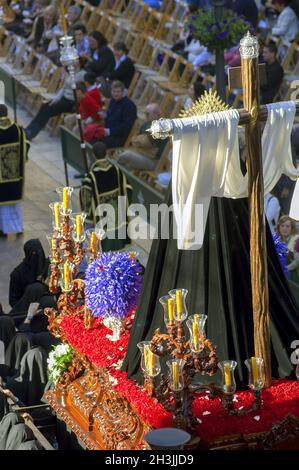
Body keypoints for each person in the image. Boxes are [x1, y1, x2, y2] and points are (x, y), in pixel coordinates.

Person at [79, 142, 131, 250]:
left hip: (102, 226)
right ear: (106, 153)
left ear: (93, 155)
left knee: (85, 229)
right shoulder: (117, 171)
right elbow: (128, 189)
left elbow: (86, 201)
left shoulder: (91, 177)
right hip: (118, 222)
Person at [25, 63, 86, 140]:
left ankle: (31, 133)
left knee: (48, 110)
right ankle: (29, 129)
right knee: (45, 105)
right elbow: (63, 88)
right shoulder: (70, 72)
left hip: (71, 102)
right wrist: (55, 99)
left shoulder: (83, 74)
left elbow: (84, 91)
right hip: (63, 98)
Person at [0, 105, 28, 237]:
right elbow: (25, 147)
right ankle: (18, 228)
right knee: (14, 206)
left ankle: (3, 230)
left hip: (1, 180)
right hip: (15, 177)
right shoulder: (18, 129)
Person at [84, 81, 137, 148]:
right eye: (114, 92)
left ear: (123, 92)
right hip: (106, 131)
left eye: (118, 92)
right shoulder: (113, 100)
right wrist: (105, 116)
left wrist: (109, 131)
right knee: (88, 134)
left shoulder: (130, 106)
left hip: (118, 137)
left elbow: (126, 126)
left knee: (94, 142)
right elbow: (110, 116)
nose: (115, 94)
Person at [117, 103, 168, 171]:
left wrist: (139, 139)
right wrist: (141, 139)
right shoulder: (146, 123)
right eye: (145, 113)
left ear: (156, 115)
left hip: (152, 160)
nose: (145, 115)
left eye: (148, 114)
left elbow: (145, 143)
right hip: (140, 152)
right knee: (120, 154)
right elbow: (133, 140)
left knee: (126, 156)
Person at [9, 239, 47, 309]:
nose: (38, 257)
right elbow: (13, 301)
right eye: (34, 254)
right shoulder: (17, 274)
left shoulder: (48, 265)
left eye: (39, 252)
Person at [276, 215, 299, 282]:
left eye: (287, 226)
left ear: (292, 228)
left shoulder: (296, 239)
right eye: (282, 226)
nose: (284, 228)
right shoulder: (278, 239)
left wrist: (284, 269)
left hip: (294, 273)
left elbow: (297, 262)